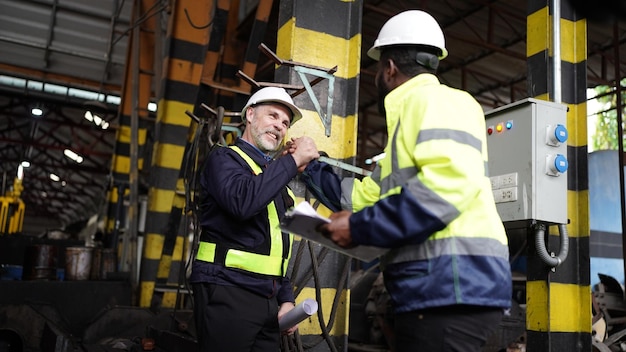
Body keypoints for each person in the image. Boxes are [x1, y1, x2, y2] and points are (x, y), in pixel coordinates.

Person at [310, 10, 512, 352]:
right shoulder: (408, 123)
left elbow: (444, 188)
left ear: (389, 68)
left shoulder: (437, 101)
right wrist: (310, 169)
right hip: (433, 291)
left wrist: (358, 227)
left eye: (378, 67)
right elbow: (362, 200)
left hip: (452, 288)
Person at [190, 86, 320, 351]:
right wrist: (291, 161)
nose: (279, 126)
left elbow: (277, 250)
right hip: (227, 289)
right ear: (250, 115)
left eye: (285, 123)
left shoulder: (275, 181)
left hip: (269, 300)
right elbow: (242, 203)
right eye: (272, 116)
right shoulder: (224, 159)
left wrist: (286, 298)